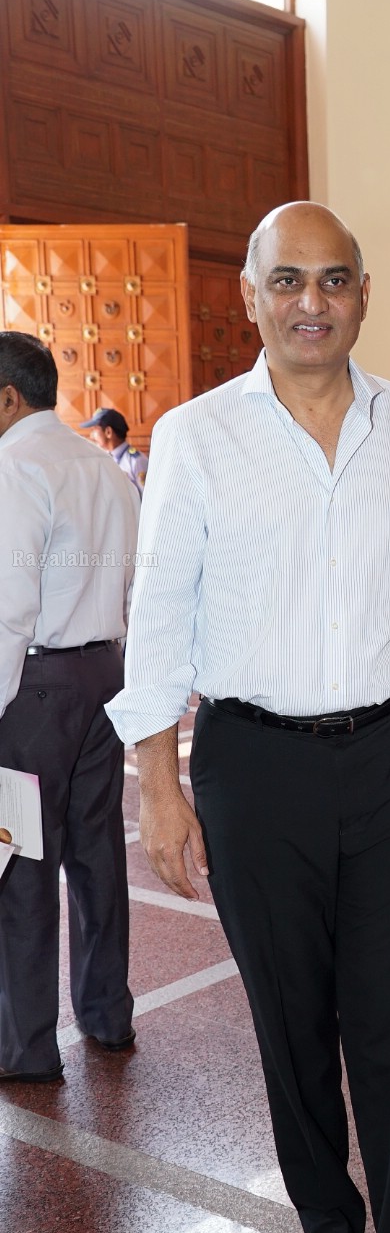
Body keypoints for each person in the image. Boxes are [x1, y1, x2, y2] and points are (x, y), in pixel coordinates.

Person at [106, 202, 390, 1233]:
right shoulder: (198, 436)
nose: (311, 302)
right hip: (253, 764)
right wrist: (158, 786)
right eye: (288, 282)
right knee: (291, 1026)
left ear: (365, 292)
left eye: (334, 280)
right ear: (253, 298)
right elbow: (157, 619)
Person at [0, 332, 138, 1082]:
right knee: (96, 854)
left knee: (20, 863)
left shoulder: (14, 466)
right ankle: (107, 1013)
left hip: (36, 688)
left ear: (8, 398)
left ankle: (22, 1047)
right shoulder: (103, 466)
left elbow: (7, 609)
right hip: (103, 675)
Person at [81, 407, 148, 495]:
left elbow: (147, 499)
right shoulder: (102, 459)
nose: (91, 436)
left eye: (94, 430)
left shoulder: (137, 461)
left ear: (108, 432)